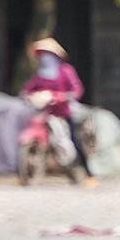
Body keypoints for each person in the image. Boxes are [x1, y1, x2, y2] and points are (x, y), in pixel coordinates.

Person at [22, 37, 94, 186]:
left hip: (64, 112)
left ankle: (89, 173)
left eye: (47, 54)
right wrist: (28, 95)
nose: (44, 58)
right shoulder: (40, 74)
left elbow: (77, 89)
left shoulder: (66, 71)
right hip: (45, 113)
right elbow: (29, 89)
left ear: (55, 56)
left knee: (74, 141)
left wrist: (65, 96)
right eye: (42, 54)